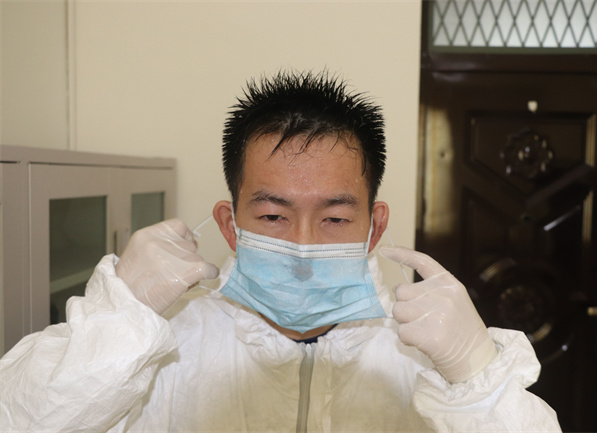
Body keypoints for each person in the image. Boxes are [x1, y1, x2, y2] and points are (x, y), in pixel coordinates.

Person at [0, 71, 561, 432]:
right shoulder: (164, 342)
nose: (301, 247)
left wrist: (474, 378)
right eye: (273, 216)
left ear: (374, 228)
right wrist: (120, 319)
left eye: (335, 218)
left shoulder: (422, 354)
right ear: (230, 225)